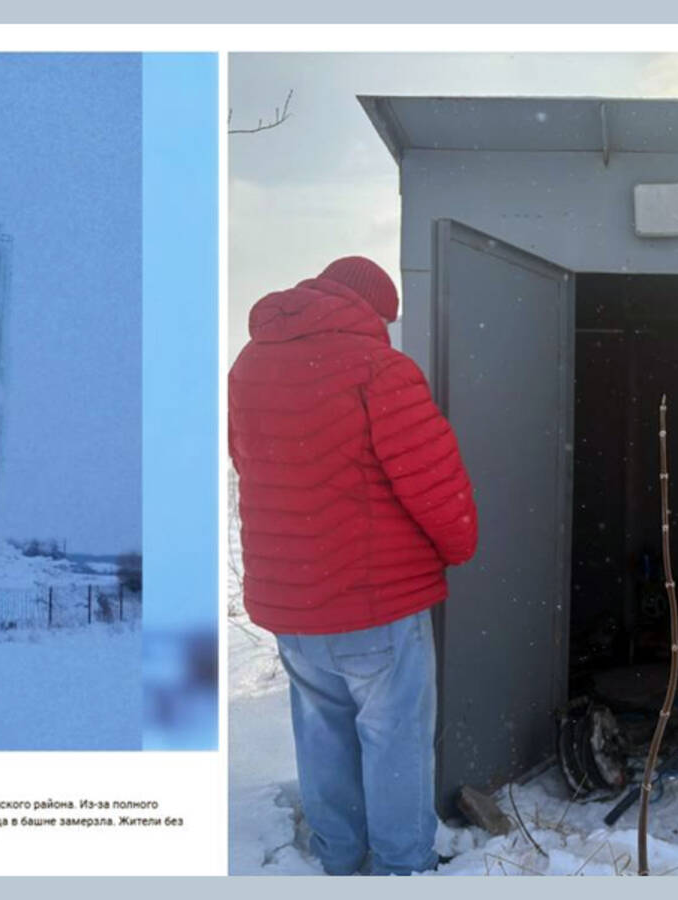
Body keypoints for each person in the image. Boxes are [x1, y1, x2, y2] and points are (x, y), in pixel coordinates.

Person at [229, 256, 478, 875]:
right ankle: (401, 868)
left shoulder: (249, 365)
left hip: (292, 604)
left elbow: (251, 464)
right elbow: (433, 481)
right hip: (376, 601)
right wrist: (458, 545)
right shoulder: (379, 370)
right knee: (394, 740)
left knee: (322, 736)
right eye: (384, 318)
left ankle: (337, 858)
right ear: (369, 309)